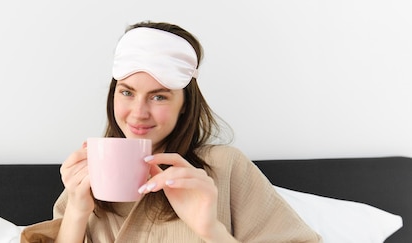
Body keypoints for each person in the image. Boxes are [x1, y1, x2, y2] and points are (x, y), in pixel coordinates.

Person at [21, 21, 321, 243]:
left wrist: (210, 229)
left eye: (159, 96)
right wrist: (76, 210)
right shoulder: (90, 172)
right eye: (127, 93)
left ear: (184, 105)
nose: (138, 112)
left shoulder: (224, 166)